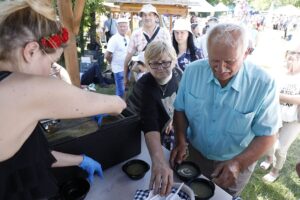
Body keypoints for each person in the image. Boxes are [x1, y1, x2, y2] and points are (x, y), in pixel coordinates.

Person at [0, 1, 126, 199]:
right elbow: (119, 105)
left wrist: (80, 160)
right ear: (31, 51)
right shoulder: (26, 89)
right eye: (51, 63)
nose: (51, 71)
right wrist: (101, 105)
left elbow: (29, 159)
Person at [170, 23, 281, 198]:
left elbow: (268, 134)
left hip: (236, 159)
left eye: (230, 62)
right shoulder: (192, 72)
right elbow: (180, 109)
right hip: (195, 153)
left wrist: (238, 163)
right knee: (189, 193)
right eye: (214, 60)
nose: (221, 69)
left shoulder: (264, 84)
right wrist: (181, 140)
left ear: (246, 53)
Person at [127, 41, 181, 196]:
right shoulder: (144, 85)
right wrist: (158, 161)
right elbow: (149, 122)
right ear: (147, 64)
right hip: (140, 128)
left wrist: (172, 118)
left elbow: (180, 100)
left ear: (174, 60)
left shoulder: (179, 74)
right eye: (154, 64)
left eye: (165, 63)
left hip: (167, 124)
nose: (160, 68)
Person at [260, 42, 300, 183]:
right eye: (291, 53)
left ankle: (275, 171)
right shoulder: (279, 72)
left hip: (293, 120)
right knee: (269, 142)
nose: (294, 56)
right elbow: (267, 89)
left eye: (298, 54)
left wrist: (279, 96)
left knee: (281, 148)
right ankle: (269, 159)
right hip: (275, 115)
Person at [123, 4, 171, 89]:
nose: (147, 17)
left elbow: (171, 55)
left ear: (156, 17)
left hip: (160, 75)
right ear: (141, 17)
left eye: (150, 14)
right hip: (142, 76)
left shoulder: (164, 32)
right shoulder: (136, 34)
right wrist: (125, 76)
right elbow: (128, 56)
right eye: (144, 15)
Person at [105, 18, 130, 98]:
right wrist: (111, 63)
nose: (123, 28)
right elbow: (107, 55)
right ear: (117, 27)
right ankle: (117, 108)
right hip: (119, 69)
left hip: (127, 68)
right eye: (121, 26)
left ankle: (124, 104)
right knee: (120, 91)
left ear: (127, 27)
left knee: (126, 88)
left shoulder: (127, 37)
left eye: (124, 26)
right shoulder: (114, 39)